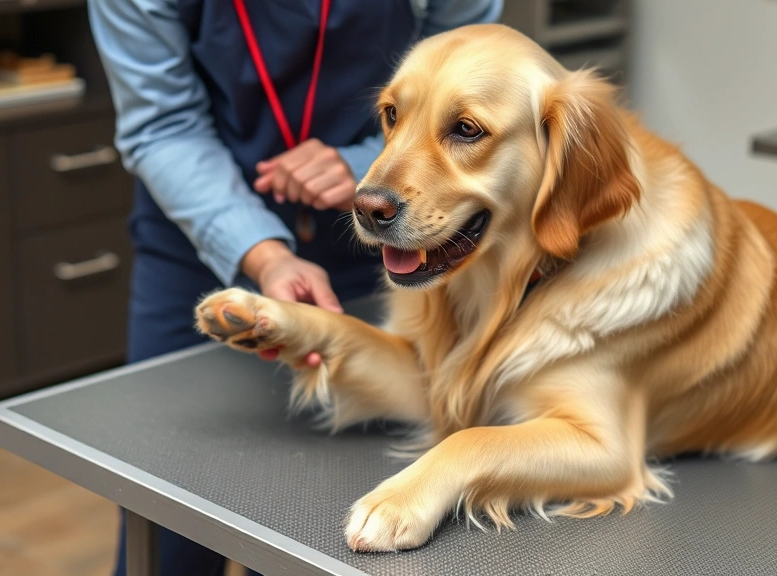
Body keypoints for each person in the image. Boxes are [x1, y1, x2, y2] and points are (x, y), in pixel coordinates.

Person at [86, 0, 503, 574]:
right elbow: (163, 126)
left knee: (320, 525)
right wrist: (262, 252)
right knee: (168, 516)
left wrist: (360, 160)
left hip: (389, 244)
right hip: (195, 247)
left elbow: (464, 80)